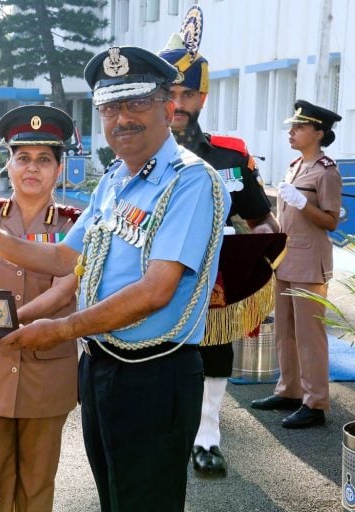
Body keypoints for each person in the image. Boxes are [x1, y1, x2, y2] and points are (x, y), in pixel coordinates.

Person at [0, 46, 230, 511]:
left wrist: (61, 330)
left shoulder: (190, 181)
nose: (122, 118)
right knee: (115, 499)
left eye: (136, 103)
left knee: (145, 502)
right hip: (102, 364)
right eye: (110, 107)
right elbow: (63, 256)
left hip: (155, 373)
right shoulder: (116, 180)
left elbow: (156, 290)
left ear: (168, 108)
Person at [158, 5, 279, 477]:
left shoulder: (230, 157)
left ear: (202, 97)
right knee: (156, 353)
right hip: (151, 275)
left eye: (189, 92)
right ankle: (164, 433)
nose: (180, 102)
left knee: (212, 353)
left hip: (212, 280)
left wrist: (266, 267)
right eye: (171, 91)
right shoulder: (131, 153)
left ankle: (207, 437)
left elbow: (262, 220)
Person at [0, 105, 80, 512]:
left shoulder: (75, 225)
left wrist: (5, 321)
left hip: (46, 364)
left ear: (59, 169)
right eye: (22, 158)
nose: (32, 168)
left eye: (44, 159)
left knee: (38, 484)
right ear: (8, 165)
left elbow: (62, 292)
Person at [251, 100, 343, 429]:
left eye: (300, 127)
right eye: (292, 126)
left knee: (310, 335)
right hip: (286, 259)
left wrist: (303, 202)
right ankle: (289, 390)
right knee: (286, 332)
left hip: (309, 263)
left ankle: (315, 401)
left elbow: (331, 221)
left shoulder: (326, 171)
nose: (291, 131)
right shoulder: (294, 166)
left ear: (319, 132)